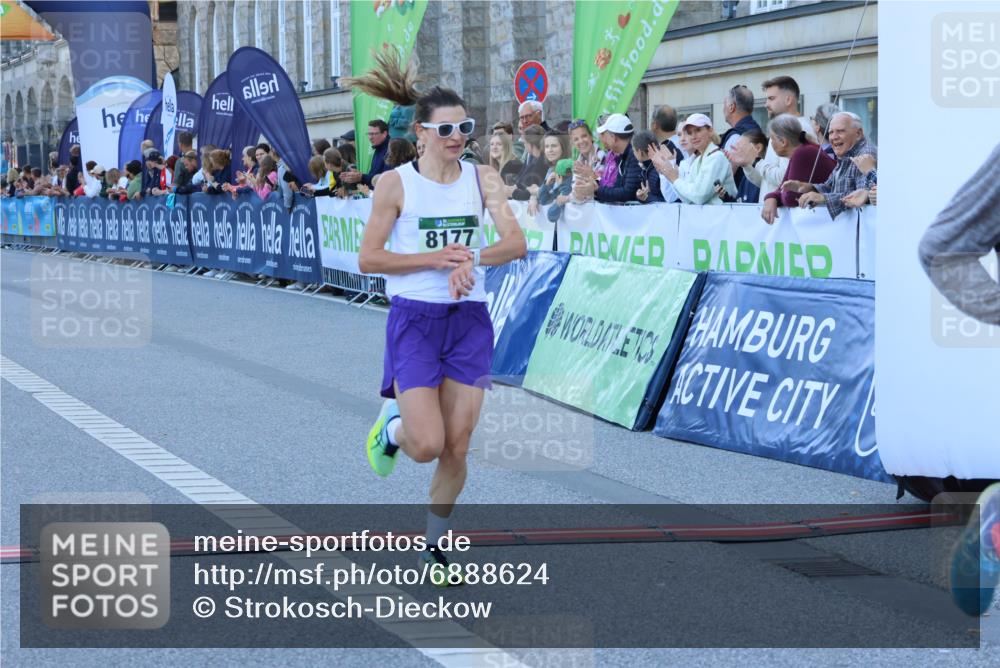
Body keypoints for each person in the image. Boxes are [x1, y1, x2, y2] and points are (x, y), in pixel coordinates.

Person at [348, 48, 526, 583]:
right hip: (415, 320)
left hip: (469, 319)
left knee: (458, 443)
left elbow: (515, 243)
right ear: (421, 133)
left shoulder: (484, 178)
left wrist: (471, 258)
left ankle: (434, 547)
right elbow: (369, 259)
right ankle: (392, 428)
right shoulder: (395, 184)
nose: (458, 136)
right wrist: (435, 258)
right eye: (446, 128)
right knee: (426, 445)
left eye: (465, 127)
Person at [728, 76, 814, 202]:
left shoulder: (798, 128)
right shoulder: (781, 128)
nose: (766, 104)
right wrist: (747, 164)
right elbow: (765, 182)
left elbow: (785, 179)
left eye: (771, 98)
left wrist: (757, 161)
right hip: (774, 215)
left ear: (788, 99)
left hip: (786, 215)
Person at [783, 111, 877, 218]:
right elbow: (830, 186)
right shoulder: (847, 152)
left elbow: (861, 198)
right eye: (831, 132)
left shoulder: (865, 154)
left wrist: (823, 198)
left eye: (840, 131)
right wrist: (808, 187)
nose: (834, 137)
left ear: (858, 133)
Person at [760, 114, 836, 224]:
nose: (771, 143)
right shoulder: (803, 149)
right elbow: (784, 187)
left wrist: (774, 198)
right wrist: (771, 197)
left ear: (783, 142)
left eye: (772, 139)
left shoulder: (803, 152)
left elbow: (791, 198)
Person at [656, 113, 736, 205]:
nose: (693, 136)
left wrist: (674, 178)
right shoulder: (698, 160)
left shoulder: (717, 157)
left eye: (698, 130)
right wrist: (670, 175)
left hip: (722, 217)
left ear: (710, 130)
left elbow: (699, 196)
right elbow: (687, 198)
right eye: (689, 133)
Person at [527, 130, 571, 215]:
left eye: (554, 146)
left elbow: (553, 213)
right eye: (547, 147)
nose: (550, 150)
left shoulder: (568, 171)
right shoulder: (551, 169)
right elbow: (544, 200)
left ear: (563, 148)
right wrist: (536, 194)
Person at [341, 120, 391, 187]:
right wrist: (358, 176)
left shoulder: (391, 150)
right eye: (369, 134)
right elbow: (373, 176)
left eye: (373, 134)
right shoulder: (378, 148)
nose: (370, 137)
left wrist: (361, 177)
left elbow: (386, 178)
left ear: (384, 133)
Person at [508, 125, 548, 201]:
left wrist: (512, 192)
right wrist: (513, 188)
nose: (524, 145)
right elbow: (521, 180)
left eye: (525, 143)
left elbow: (530, 191)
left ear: (530, 143)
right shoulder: (534, 158)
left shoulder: (542, 162)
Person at [728, 129, 767, 203]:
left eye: (740, 147)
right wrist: (725, 197)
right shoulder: (746, 176)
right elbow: (740, 203)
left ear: (758, 148)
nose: (737, 151)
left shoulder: (769, 171)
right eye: (736, 148)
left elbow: (762, 180)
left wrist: (748, 164)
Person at [631, 130, 665, 204]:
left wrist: (647, 197)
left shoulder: (656, 170)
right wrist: (642, 196)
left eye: (634, 151)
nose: (633, 154)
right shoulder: (648, 169)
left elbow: (667, 201)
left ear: (639, 152)